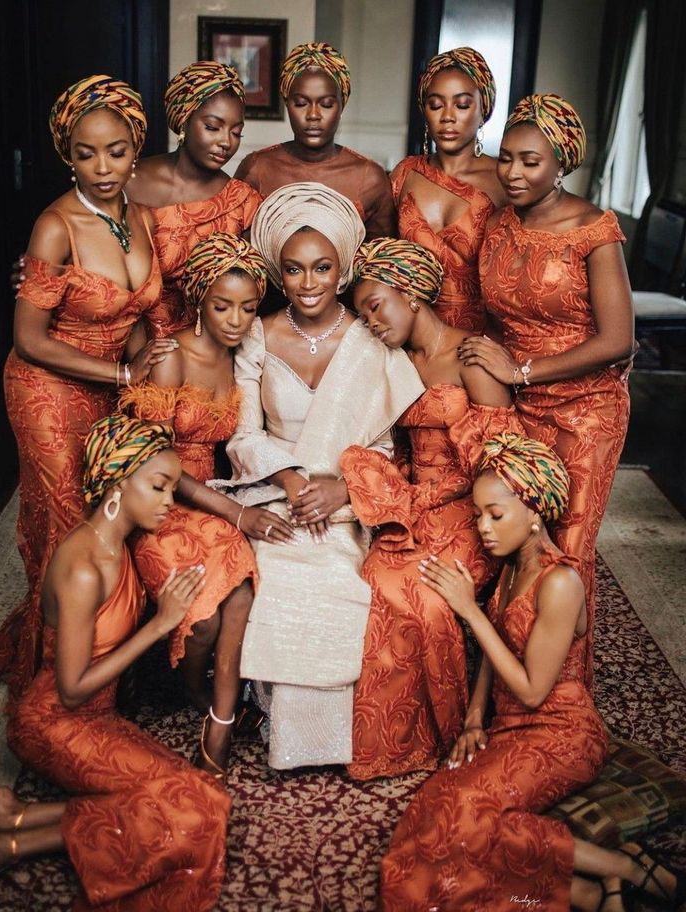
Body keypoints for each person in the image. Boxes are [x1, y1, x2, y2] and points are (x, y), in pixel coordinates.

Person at [381, 433, 685, 912]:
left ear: (536, 510)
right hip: (509, 727)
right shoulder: (510, 568)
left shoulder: (560, 582)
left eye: (495, 514)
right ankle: (585, 893)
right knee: (436, 807)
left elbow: (531, 689)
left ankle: (623, 868)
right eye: (479, 513)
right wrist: (476, 718)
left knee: (471, 820)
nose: (483, 527)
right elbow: (499, 649)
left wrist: (469, 611)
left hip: (563, 733)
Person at [0, 415, 230, 912]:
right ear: (118, 483)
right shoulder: (83, 567)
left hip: (96, 718)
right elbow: (73, 688)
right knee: (193, 813)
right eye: (159, 486)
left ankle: (8, 816)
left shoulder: (119, 543)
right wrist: (159, 625)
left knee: (202, 797)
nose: (170, 500)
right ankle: (8, 840)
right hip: (53, 721)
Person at [214, 184, 425, 769]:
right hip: (274, 490)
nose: (309, 282)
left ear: (343, 268)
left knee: (344, 577)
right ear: (279, 273)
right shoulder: (257, 333)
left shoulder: (368, 339)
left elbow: (384, 445)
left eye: (323, 268)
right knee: (278, 571)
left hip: (345, 497)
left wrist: (344, 491)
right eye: (295, 269)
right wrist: (288, 483)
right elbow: (243, 436)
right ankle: (283, 728)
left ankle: (332, 738)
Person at [0, 75, 176, 698]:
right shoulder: (54, 226)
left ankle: (103, 651)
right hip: (44, 388)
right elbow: (30, 338)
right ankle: (55, 673)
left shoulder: (141, 216)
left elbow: (140, 315)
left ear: (135, 147)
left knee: (111, 519)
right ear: (67, 154)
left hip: (111, 386)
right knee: (70, 526)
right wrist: (125, 373)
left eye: (116, 150)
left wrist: (152, 371)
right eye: (85, 153)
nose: (102, 166)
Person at [459, 93, 634, 686]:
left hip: (587, 412)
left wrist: (521, 372)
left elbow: (617, 341)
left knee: (569, 548)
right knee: (513, 541)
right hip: (519, 410)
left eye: (530, 161)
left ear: (562, 162)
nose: (512, 173)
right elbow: (494, 319)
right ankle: (504, 688)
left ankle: (559, 701)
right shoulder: (498, 224)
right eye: (506, 159)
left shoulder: (594, 230)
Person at [342, 237, 519, 780]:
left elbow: (502, 461)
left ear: (412, 294)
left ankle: (441, 732)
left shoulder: (472, 356)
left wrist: (443, 502)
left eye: (376, 306)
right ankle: (385, 738)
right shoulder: (390, 361)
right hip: (411, 501)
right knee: (373, 578)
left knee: (424, 590)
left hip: (470, 508)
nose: (370, 322)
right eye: (362, 313)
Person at [121, 233, 291, 778]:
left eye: (247, 307)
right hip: (161, 505)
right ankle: (195, 691)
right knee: (202, 621)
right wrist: (238, 513)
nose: (236, 319)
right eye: (222, 306)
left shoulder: (243, 358)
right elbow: (154, 464)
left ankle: (219, 717)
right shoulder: (171, 358)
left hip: (214, 498)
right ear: (198, 301)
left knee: (241, 593)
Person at [129, 61, 262, 337]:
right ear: (184, 121)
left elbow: (249, 288)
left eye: (236, 132)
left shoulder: (242, 202)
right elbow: (77, 235)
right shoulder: (128, 181)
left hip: (206, 347)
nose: (226, 142)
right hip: (129, 342)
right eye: (213, 127)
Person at [391, 47, 506, 332]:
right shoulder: (405, 173)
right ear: (424, 111)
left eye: (462, 105)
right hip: (410, 331)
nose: (448, 117)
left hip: (479, 337)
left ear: (484, 110)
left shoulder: (505, 179)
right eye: (436, 104)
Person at [235, 43, 394, 240]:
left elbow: (381, 262)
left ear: (341, 105)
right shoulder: (257, 168)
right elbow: (238, 255)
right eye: (301, 103)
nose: (313, 115)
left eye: (326, 104)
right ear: (287, 104)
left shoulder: (370, 178)